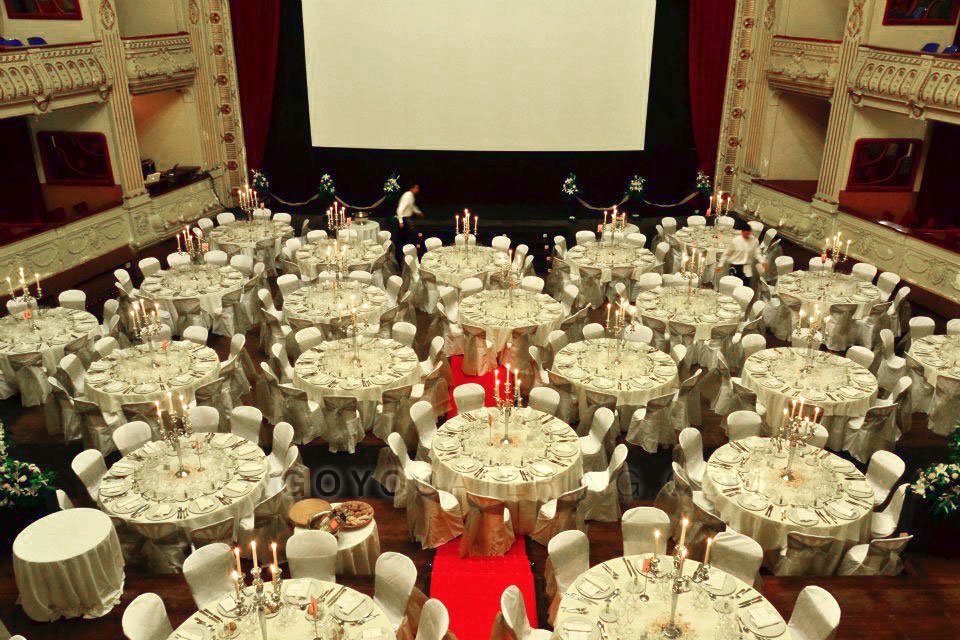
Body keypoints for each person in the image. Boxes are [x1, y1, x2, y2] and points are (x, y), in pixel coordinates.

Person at [395, 184, 424, 255]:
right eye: (416, 188)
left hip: (407, 218)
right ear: (412, 188)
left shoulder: (411, 196)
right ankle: (407, 253)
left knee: (409, 235)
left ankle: (410, 251)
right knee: (410, 235)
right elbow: (400, 209)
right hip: (404, 218)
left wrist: (418, 212)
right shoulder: (407, 196)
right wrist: (401, 221)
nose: (417, 190)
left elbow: (412, 206)